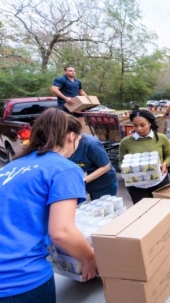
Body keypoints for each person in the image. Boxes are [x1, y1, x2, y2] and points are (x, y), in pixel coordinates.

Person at [0, 109, 97, 301]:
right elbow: (62, 232)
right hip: (20, 281)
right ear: (71, 137)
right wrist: (90, 259)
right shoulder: (64, 169)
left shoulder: (11, 167)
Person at [119, 109, 170, 204]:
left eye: (142, 125)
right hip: (137, 186)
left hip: (159, 182)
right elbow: (121, 162)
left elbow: (169, 156)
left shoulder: (161, 138)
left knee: (163, 210)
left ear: (150, 123)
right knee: (143, 213)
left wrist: (165, 163)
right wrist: (126, 171)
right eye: (135, 126)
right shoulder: (126, 142)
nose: (139, 129)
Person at [68, 133, 119, 200]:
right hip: (87, 184)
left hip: (103, 184)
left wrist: (83, 180)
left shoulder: (92, 144)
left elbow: (106, 166)